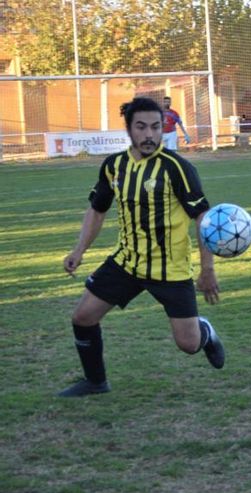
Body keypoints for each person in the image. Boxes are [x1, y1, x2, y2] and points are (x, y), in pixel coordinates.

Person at [58, 97, 226, 397]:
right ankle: (96, 381)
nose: (149, 135)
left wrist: (207, 269)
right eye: (141, 127)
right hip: (127, 262)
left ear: (163, 129)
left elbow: (203, 218)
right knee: (82, 317)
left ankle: (206, 332)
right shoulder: (114, 166)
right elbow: (97, 209)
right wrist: (78, 251)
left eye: (155, 127)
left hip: (170, 268)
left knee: (188, 345)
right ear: (129, 129)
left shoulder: (177, 169)